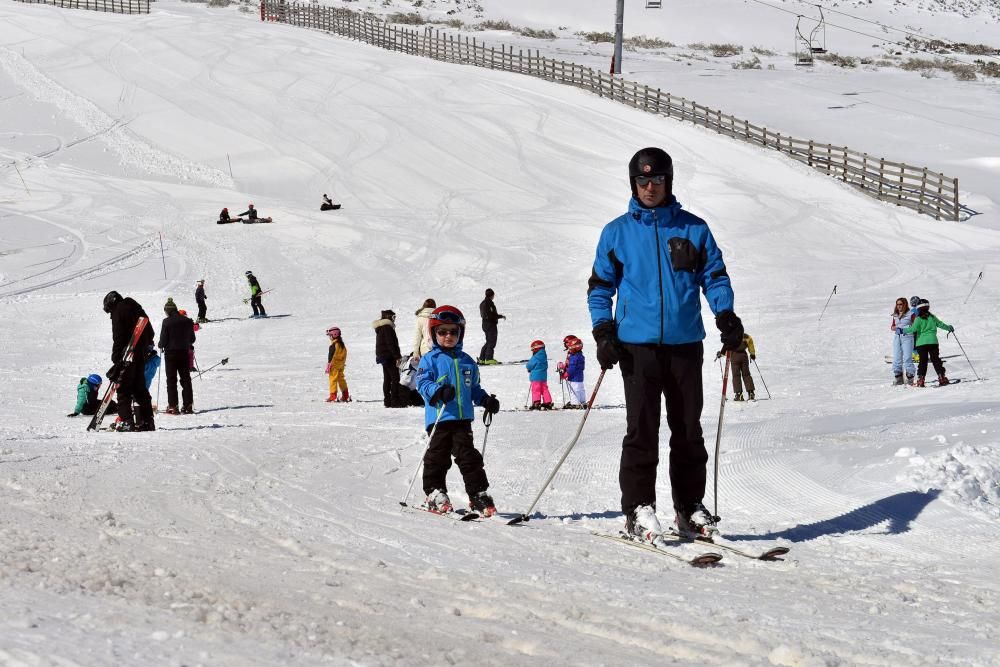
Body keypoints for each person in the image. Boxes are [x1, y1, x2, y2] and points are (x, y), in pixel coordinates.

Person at [586, 147, 743, 542]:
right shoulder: (617, 232)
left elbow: (715, 277)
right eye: (642, 180)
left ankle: (689, 507)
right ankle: (639, 508)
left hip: (685, 344)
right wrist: (603, 332)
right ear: (633, 183)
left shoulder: (693, 228)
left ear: (669, 181)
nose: (650, 187)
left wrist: (725, 314)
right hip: (635, 348)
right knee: (641, 430)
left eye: (657, 180)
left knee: (688, 430)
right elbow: (600, 289)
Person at [415, 305, 501, 516]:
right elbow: (422, 383)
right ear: (434, 333)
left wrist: (486, 400)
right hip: (440, 418)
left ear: (460, 333)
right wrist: (438, 391)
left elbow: (474, 389)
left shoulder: (467, 362)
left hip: (462, 420)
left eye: (453, 331)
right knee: (438, 457)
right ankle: (435, 493)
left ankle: (478, 494)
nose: (448, 336)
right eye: (442, 331)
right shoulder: (430, 359)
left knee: (469, 457)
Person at [102, 290, 157, 431]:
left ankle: (126, 421)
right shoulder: (136, 308)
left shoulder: (118, 311)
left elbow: (118, 336)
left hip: (127, 356)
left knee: (124, 389)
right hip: (141, 355)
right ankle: (147, 421)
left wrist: (116, 357)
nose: (110, 314)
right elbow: (150, 330)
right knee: (140, 388)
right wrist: (146, 345)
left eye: (109, 311)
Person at [158, 298, 196, 414]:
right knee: (186, 379)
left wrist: (160, 344)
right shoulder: (187, 321)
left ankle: (173, 406)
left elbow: (163, 341)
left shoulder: (166, 322)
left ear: (168, 311)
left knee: (171, 380)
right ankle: (188, 405)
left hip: (170, 355)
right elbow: (192, 339)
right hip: (184, 353)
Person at [903, 299, 953, 387]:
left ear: (918, 308)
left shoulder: (918, 319)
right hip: (933, 342)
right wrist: (949, 328)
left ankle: (921, 380)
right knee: (936, 360)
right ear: (928, 307)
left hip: (921, 343)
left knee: (923, 361)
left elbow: (913, 329)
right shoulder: (932, 317)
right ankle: (941, 377)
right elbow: (941, 324)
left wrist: (903, 330)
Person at [373, 309, 403, 408]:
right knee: (395, 378)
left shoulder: (381, 327)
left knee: (387, 378)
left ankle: (387, 401)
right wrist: (397, 356)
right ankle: (394, 401)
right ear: (388, 317)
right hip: (389, 356)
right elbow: (391, 343)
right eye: (393, 317)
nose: (394, 320)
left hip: (383, 356)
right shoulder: (387, 327)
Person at [890, 297, 917, 385]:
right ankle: (898, 377)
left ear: (905, 304)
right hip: (897, 337)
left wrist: (904, 329)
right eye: (897, 304)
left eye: (900, 304)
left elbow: (915, 326)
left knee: (907, 357)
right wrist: (894, 328)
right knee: (897, 357)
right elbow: (893, 326)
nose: (899, 306)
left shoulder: (911, 314)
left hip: (908, 337)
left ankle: (910, 376)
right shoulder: (895, 315)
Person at [477, 288, 506, 365]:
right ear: (492, 295)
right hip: (490, 324)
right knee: (492, 341)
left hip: (485, 324)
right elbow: (490, 315)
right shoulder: (488, 303)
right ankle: (489, 358)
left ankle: (482, 359)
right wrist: (499, 316)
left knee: (489, 341)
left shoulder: (483, 303)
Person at [558, 335, 587, 409]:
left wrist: (566, 374)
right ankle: (582, 401)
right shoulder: (580, 355)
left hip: (574, 378)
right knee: (580, 389)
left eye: (570, 348)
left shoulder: (574, 357)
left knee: (574, 390)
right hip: (580, 377)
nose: (569, 350)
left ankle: (575, 403)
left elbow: (572, 368)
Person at [526, 340, 554, 410]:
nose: (533, 352)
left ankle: (536, 402)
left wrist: (529, 368)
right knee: (544, 389)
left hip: (535, 378)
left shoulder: (535, 357)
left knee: (536, 390)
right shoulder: (544, 356)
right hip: (543, 377)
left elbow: (529, 365)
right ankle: (548, 402)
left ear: (536, 349)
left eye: (533, 350)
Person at [325, 326, 350, 402]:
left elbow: (330, 357)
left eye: (330, 335)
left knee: (332, 380)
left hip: (334, 366)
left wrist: (329, 365)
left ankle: (333, 396)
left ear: (334, 335)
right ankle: (345, 395)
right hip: (341, 366)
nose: (330, 337)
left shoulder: (333, 345)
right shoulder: (342, 345)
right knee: (341, 380)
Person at [730, 333, 756, 401]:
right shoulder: (746, 336)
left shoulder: (730, 335)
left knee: (736, 376)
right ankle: (751, 392)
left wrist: (721, 353)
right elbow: (750, 343)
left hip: (734, 356)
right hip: (743, 356)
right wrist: (752, 354)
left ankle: (739, 394)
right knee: (746, 374)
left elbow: (726, 347)